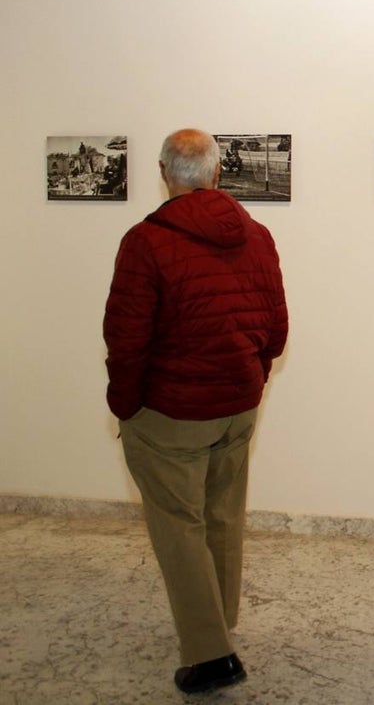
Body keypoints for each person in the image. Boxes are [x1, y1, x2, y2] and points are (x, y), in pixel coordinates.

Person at [103, 128, 288, 694]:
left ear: (163, 172)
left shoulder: (146, 241)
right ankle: (219, 621)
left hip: (172, 412)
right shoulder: (256, 235)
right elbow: (276, 331)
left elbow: (126, 338)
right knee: (223, 516)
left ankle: (211, 656)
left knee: (180, 526)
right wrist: (251, 374)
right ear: (215, 173)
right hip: (236, 405)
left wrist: (125, 405)